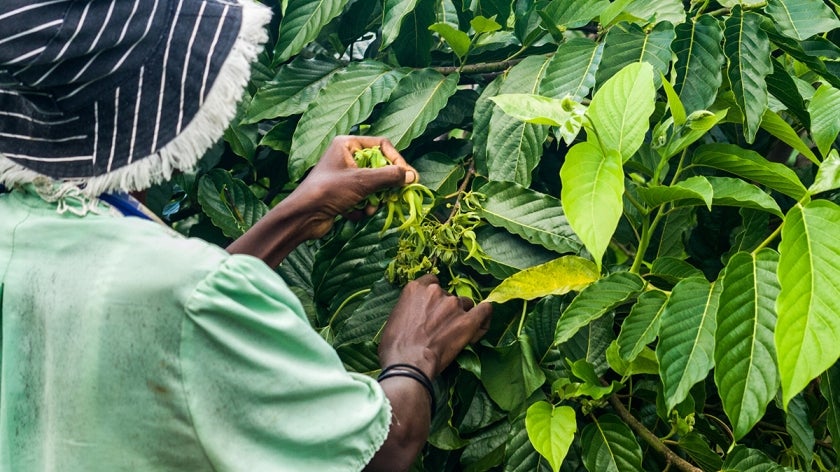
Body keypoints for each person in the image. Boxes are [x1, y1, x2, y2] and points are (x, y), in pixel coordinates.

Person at [0, 1, 492, 471]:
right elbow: (382, 448)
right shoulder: (179, 291)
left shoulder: (21, 224)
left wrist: (300, 213)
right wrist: (413, 357)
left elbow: (167, 317)